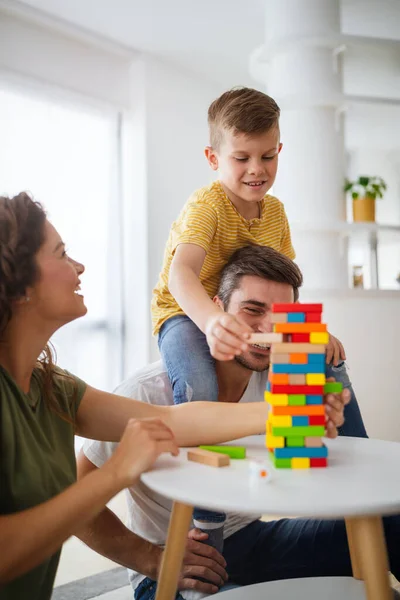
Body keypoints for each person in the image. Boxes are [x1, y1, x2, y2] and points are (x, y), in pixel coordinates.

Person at [0, 194, 300, 600]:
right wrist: (117, 478)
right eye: (62, 254)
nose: (80, 266)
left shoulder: (54, 387)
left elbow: (174, 421)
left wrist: (285, 410)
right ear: (17, 286)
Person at [77, 245, 374, 600]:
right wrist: (150, 559)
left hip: (252, 539)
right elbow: (76, 492)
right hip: (174, 557)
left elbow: (317, 461)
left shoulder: (282, 378)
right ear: (216, 309)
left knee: (389, 525)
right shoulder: (146, 392)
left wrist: (330, 413)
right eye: (252, 310)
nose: (268, 328)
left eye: (284, 316)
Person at [151, 87, 347, 550]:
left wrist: (310, 332)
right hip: (185, 312)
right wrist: (208, 321)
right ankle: (208, 519)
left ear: (279, 150)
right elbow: (181, 274)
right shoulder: (208, 206)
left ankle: (344, 464)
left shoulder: (275, 212)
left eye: (267, 156)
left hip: (245, 313)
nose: (256, 170)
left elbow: (283, 283)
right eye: (241, 158)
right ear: (213, 157)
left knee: (326, 358)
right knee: (200, 386)